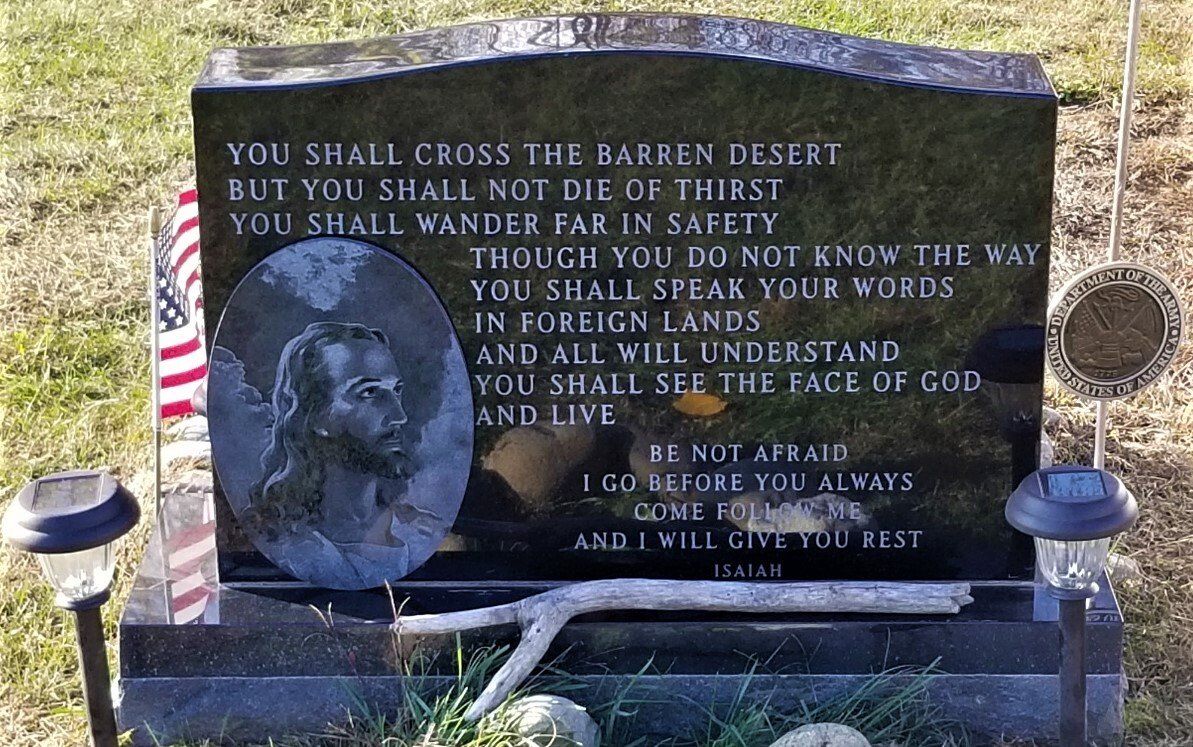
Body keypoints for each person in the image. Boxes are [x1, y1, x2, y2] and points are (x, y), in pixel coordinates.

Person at [246, 321, 442, 587]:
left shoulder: (423, 533)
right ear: (316, 416)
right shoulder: (281, 545)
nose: (399, 416)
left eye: (396, 391)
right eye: (370, 392)